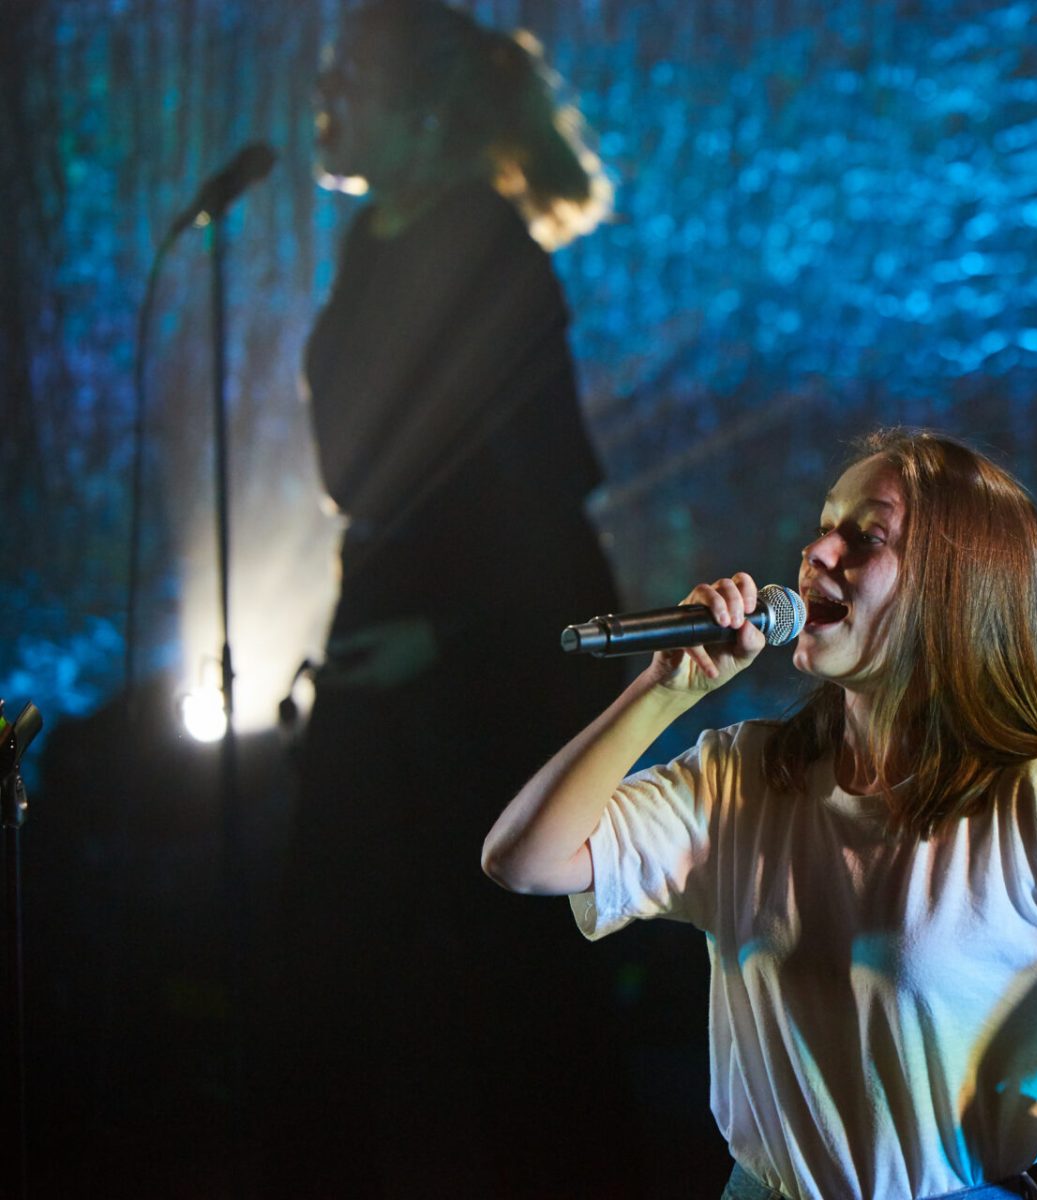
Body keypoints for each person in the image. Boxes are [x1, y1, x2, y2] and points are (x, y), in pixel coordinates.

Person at [483, 429, 1037, 1199]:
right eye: (822, 528)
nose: (817, 554)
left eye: (865, 536)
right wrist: (664, 691)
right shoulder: (744, 775)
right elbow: (523, 858)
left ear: (955, 587)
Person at [258, 2, 623, 1193]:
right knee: (329, 976)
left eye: (349, 78)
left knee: (517, 988)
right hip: (383, 630)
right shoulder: (372, 240)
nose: (326, 98)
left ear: (422, 107)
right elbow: (353, 467)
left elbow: (546, 499)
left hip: (494, 661)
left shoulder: (493, 253)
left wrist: (450, 633)